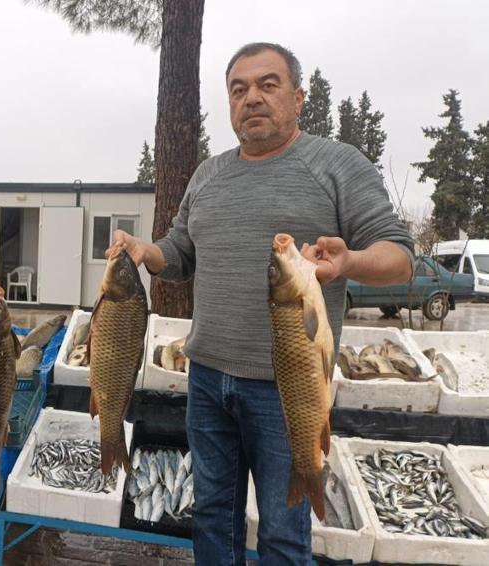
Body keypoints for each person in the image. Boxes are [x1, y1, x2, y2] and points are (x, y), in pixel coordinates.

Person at [111, 43, 414, 565]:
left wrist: (350, 262)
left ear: (297, 97)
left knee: (281, 530)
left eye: (267, 84)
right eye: (239, 88)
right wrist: (147, 251)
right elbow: (181, 254)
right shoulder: (207, 175)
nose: (252, 97)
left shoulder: (336, 164)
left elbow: (400, 257)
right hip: (206, 379)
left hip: (288, 391)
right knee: (210, 517)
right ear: (230, 104)